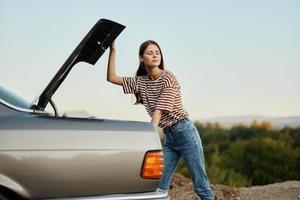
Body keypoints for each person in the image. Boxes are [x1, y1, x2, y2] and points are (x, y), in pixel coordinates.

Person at [106, 40, 215, 200]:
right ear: (141, 58)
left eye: (157, 52)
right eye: (150, 53)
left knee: (201, 186)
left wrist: (146, 141)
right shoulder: (142, 82)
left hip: (185, 133)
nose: (155, 55)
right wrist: (113, 50)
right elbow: (111, 78)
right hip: (170, 138)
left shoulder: (168, 79)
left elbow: (157, 113)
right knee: (157, 186)